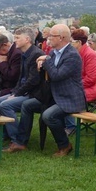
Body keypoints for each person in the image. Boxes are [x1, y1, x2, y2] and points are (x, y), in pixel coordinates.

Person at [25, 24, 86, 157]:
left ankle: (64, 145)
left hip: (69, 98)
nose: (48, 38)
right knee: (27, 105)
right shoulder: (53, 52)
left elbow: (57, 75)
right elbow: (50, 71)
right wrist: (43, 64)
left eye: (52, 36)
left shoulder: (72, 55)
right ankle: (20, 141)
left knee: (48, 116)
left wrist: (46, 60)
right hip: (55, 95)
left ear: (62, 37)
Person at [0, 27, 44, 153]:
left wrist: (17, 93)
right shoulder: (24, 53)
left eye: (17, 38)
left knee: (5, 105)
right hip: (24, 91)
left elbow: (33, 81)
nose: (15, 40)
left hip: (34, 94)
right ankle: (10, 134)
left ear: (27, 39)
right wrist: (15, 92)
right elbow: (21, 79)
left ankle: (18, 140)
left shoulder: (36, 54)